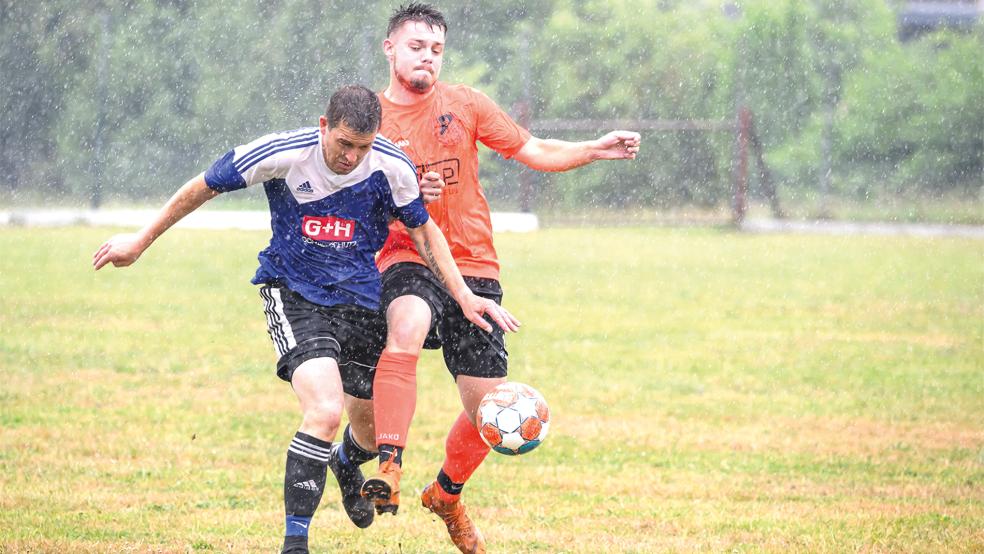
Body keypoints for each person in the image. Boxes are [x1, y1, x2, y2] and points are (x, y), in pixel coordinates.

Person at [91, 85, 519, 554]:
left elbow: (423, 230)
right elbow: (202, 186)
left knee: (372, 434)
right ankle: (295, 543)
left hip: (359, 300)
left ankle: (345, 461)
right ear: (323, 127)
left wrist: (463, 295)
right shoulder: (282, 153)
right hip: (295, 294)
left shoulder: (391, 165)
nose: (351, 157)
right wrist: (139, 240)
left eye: (362, 146)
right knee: (324, 410)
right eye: (342, 144)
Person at [358, 4, 642, 553]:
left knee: (489, 411)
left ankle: (446, 494)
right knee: (408, 326)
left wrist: (593, 149)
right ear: (390, 48)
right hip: (407, 257)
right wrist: (402, 203)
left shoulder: (464, 104)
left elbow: (532, 149)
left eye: (436, 49)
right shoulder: (370, 119)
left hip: (475, 265)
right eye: (417, 46)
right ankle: (388, 467)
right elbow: (350, 196)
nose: (428, 58)